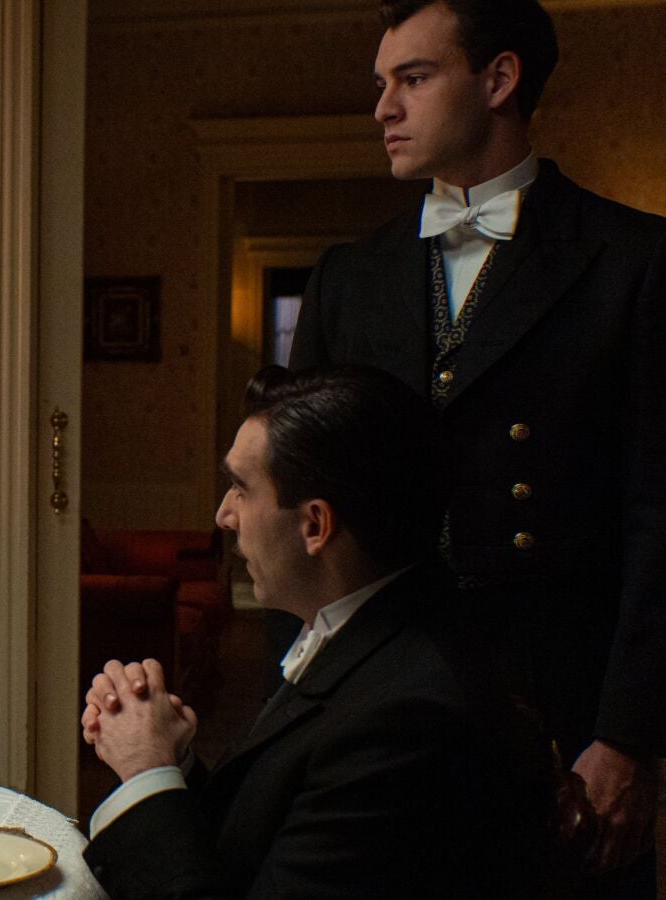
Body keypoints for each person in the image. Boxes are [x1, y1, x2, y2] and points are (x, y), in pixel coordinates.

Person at [288, 1, 666, 890]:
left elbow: (662, 515)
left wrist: (628, 735)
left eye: (413, 79)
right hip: (380, 699)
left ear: (499, 80)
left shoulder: (635, 260)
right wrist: (299, 696)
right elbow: (300, 502)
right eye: (381, 84)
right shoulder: (349, 276)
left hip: (561, 706)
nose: (383, 107)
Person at [80, 366, 548, 898]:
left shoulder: (407, 723)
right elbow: (263, 842)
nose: (224, 515)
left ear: (315, 525)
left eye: (240, 488)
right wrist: (172, 761)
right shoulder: (373, 633)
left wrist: (144, 771)